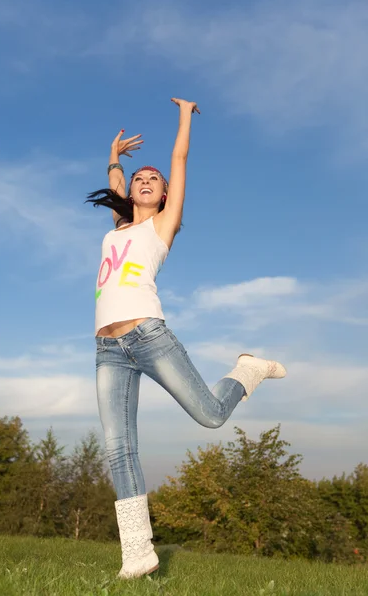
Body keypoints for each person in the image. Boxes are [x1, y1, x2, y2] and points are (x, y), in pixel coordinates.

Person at [86, 98, 286, 579]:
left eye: (154, 179)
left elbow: (178, 160)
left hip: (149, 336)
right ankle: (138, 553)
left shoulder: (162, 226)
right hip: (108, 349)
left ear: (165, 194)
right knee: (119, 447)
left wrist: (183, 116)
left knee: (212, 416)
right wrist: (114, 157)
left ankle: (247, 369)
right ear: (131, 192)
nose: (145, 180)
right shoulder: (119, 225)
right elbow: (117, 181)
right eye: (140, 178)